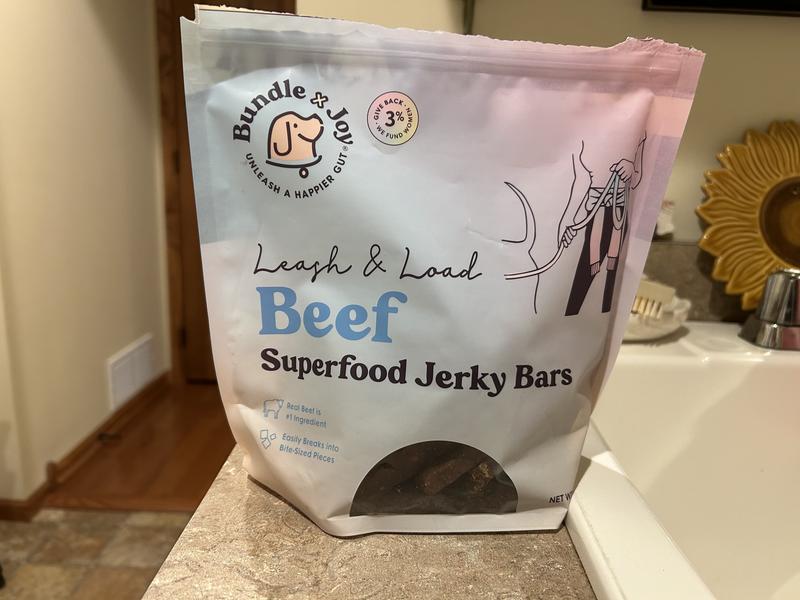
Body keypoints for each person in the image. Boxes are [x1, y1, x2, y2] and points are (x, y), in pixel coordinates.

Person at [559, 136, 646, 315]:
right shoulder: (579, 134)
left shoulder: (638, 131)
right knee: (584, 273)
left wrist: (632, 168)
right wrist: (569, 223)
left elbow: (639, 179)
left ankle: (602, 317)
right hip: (593, 212)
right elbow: (578, 180)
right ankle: (571, 316)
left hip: (619, 213)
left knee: (613, 277)